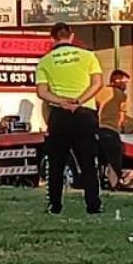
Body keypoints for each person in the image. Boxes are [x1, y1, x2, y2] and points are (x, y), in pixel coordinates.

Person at [35, 23, 104, 215]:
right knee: (88, 163)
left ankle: (55, 206)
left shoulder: (45, 61)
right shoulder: (89, 56)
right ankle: (93, 205)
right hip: (85, 113)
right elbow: (98, 83)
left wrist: (61, 102)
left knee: (56, 163)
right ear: (71, 37)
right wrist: (80, 100)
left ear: (52, 38)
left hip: (59, 116)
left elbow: (42, 92)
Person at [96, 69, 130, 188]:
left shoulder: (100, 91)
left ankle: (99, 183)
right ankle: (113, 185)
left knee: (99, 160)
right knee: (114, 161)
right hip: (111, 130)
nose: (126, 85)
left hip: (97, 130)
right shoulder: (121, 96)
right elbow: (121, 117)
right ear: (118, 81)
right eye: (125, 82)